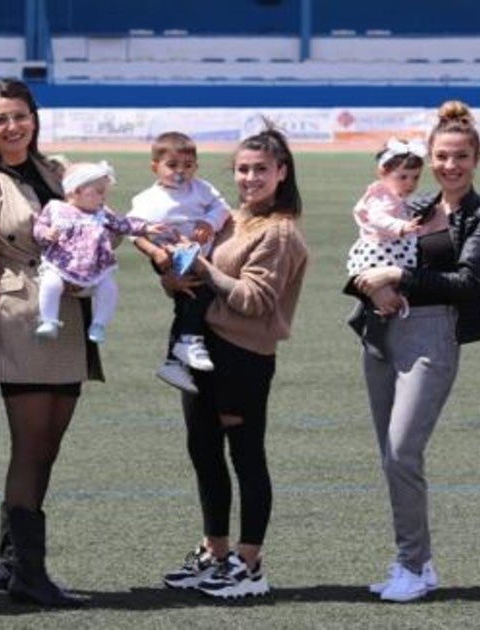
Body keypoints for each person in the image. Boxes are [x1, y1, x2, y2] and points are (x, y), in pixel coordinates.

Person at [347, 100, 480, 603]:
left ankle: (412, 566)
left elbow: (467, 281)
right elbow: (363, 256)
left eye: (460, 156)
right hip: (381, 331)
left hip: (433, 335)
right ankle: (417, 561)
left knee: (402, 451)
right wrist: (372, 287)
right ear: (429, 157)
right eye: (441, 156)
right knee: (390, 457)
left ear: (476, 158)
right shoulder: (411, 204)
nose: (450, 165)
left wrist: (398, 277)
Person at [0, 78, 101, 608]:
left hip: (68, 314)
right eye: (1, 119)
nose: (12, 126)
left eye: (20, 115)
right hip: (19, 316)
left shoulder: (57, 170)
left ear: (34, 118)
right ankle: (29, 575)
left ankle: (13, 564)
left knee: (49, 448)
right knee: (30, 448)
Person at [159, 126, 308, 599]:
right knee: (204, 450)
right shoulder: (230, 218)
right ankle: (215, 552)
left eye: (261, 169)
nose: (250, 177)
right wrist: (173, 276)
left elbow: (253, 299)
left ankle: (249, 563)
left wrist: (203, 271)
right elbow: (194, 267)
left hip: (243, 356)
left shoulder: (280, 232)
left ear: (281, 173)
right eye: (243, 169)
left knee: (245, 455)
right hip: (202, 349)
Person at [128, 132, 232, 393]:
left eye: (188, 166)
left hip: (196, 253)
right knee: (197, 294)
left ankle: (174, 360)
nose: (180, 172)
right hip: (171, 254)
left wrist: (209, 223)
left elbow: (222, 208)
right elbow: (134, 231)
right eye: (172, 166)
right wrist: (154, 252)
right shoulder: (146, 200)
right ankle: (187, 342)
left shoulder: (202, 189)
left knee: (191, 301)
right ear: (155, 167)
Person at [33, 161, 159, 344]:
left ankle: (99, 324)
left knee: (108, 287)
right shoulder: (55, 209)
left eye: (105, 192)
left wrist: (146, 227)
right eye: (99, 192)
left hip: (96, 265)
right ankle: (48, 320)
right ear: (74, 191)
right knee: (50, 283)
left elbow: (122, 224)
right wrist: (47, 234)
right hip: (61, 263)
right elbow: (39, 228)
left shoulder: (101, 213)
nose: (104, 197)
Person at [344, 136, 425, 358]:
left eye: (415, 177)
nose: (410, 183)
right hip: (380, 252)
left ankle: (362, 316)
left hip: (393, 249)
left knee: (396, 289)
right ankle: (374, 333)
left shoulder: (397, 196)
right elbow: (378, 217)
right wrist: (401, 226)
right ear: (383, 173)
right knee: (385, 292)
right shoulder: (381, 197)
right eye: (403, 177)